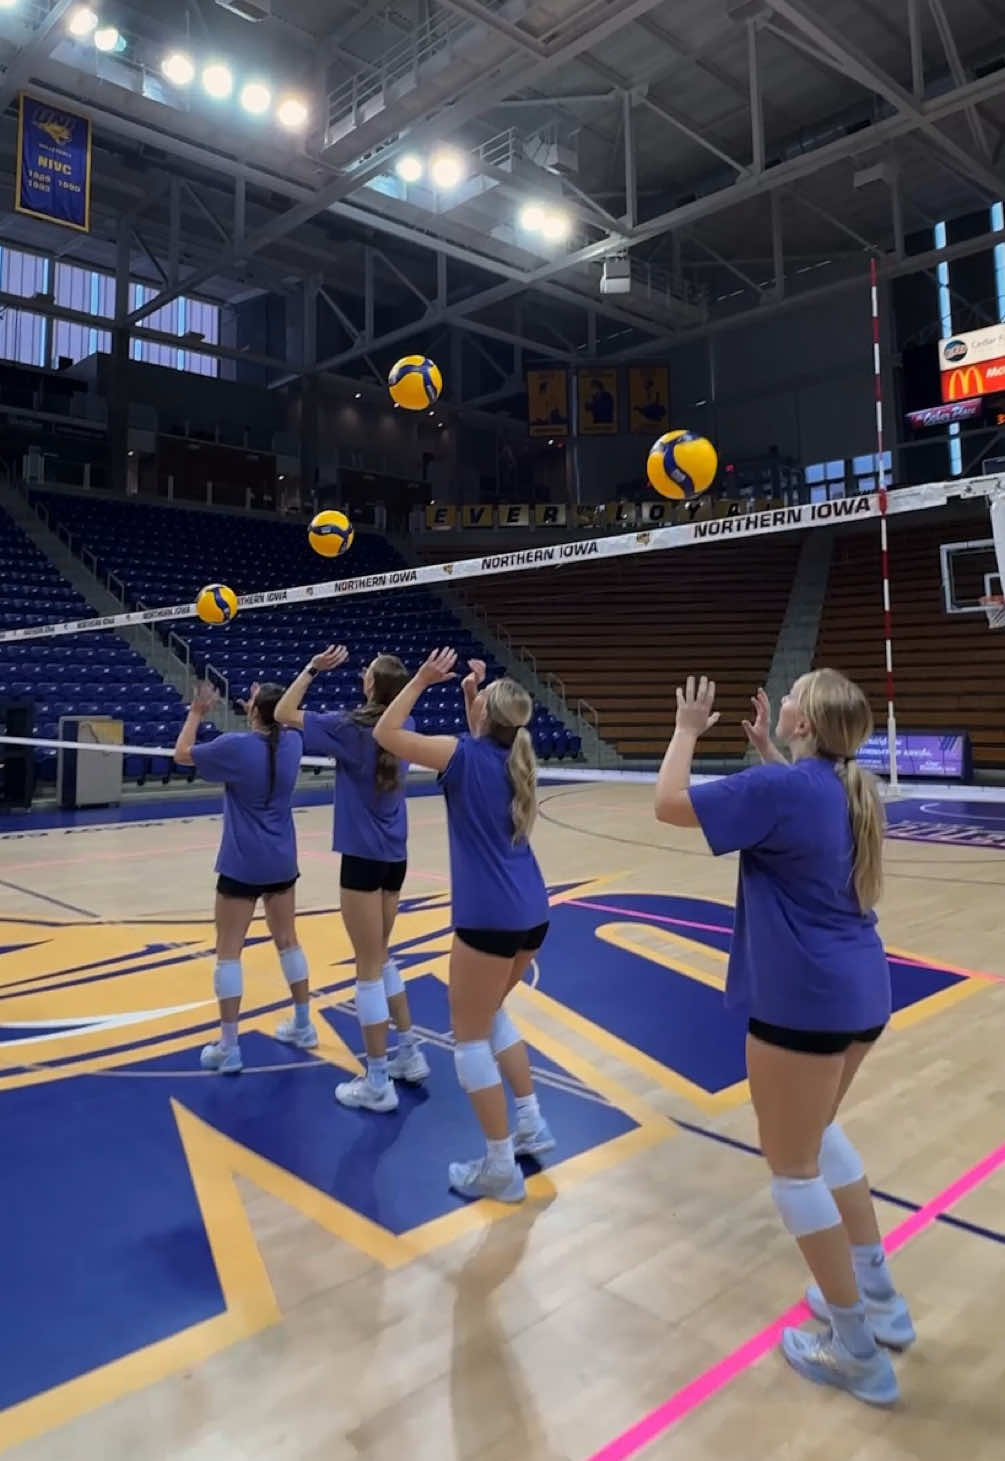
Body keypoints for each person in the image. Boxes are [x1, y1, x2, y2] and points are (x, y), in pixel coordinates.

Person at [654, 670, 914, 1407]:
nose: (785, 696)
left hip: (803, 1000)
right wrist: (772, 753)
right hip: (861, 990)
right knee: (820, 1138)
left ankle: (856, 1349)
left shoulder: (780, 789)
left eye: (793, 693)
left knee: (793, 1169)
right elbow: (798, 811)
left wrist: (685, 731)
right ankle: (879, 1299)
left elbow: (668, 803)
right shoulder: (846, 786)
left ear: (804, 723)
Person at [374, 650, 554, 1202]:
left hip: (489, 916)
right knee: (492, 1014)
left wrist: (421, 680)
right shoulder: (512, 754)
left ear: (485, 718)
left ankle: (500, 1166)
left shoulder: (462, 755)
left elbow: (386, 733)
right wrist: (472, 693)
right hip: (533, 910)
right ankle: (531, 1121)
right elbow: (480, 736)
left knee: (469, 1039)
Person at [275, 645, 430, 1112]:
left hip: (363, 858)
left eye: (367, 672)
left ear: (371, 685)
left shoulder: (348, 727)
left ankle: (378, 1081)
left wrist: (311, 668)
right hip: (395, 857)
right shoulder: (406, 725)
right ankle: (409, 1052)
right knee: (381, 955)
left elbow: (283, 713)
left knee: (367, 966)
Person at [173, 681, 315, 1075]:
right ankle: (304, 1024)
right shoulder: (293, 742)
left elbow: (182, 754)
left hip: (242, 861)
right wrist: (260, 706)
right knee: (288, 940)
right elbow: (277, 724)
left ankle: (229, 1046)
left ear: (253, 711)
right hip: (281, 859)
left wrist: (197, 712)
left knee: (229, 950)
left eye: (251, 701)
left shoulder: (235, 746)